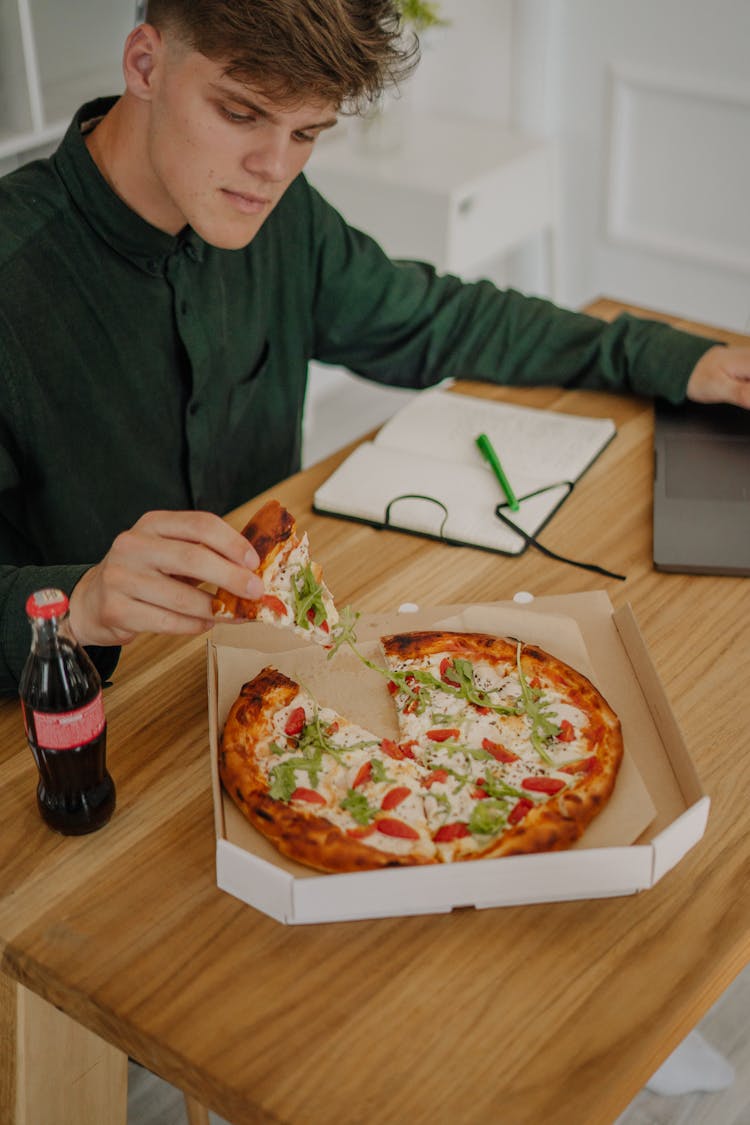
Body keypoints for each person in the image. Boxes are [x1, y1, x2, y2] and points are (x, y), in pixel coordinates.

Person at [0, 0, 748, 698]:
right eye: (241, 113)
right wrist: (77, 604)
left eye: (306, 134)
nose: (274, 168)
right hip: (75, 723)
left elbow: (443, 319)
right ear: (144, 66)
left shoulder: (283, 220)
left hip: (273, 680)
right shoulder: (14, 279)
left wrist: (671, 358)